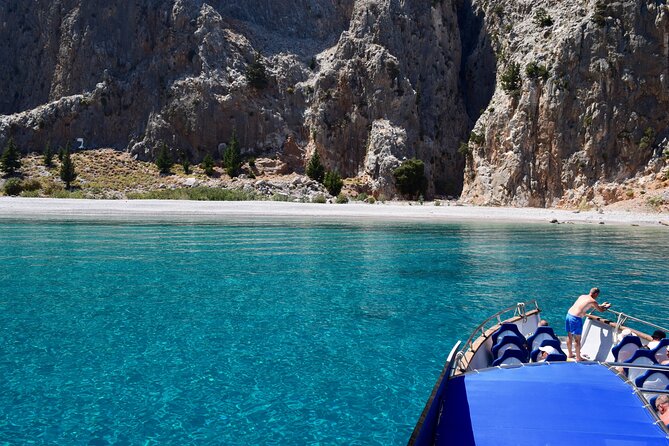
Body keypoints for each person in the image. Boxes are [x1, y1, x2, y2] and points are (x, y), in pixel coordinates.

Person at [565, 288, 611, 361]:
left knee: (569, 335)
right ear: (596, 294)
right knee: (577, 339)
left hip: (569, 315)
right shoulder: (593, 301)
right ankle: (578, 357)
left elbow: (590, 305)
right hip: (575, 318)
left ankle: (570, 354)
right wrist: (606, 307)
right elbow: (601, 310)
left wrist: (601, 305)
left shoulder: (582, 296)